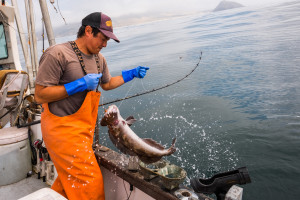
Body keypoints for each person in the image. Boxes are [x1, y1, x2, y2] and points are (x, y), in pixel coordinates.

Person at [34, 12, 149, 200]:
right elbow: (39, 95)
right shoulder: (57, 54)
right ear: (88, 30)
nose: (104, 45)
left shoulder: (99, 59)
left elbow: (107, 84)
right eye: (103, 39)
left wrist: (130, 75)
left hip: (83, 131)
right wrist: (77, 85)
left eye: (107, 41)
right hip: (61, 131)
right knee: (90, 182)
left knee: (68, 179)